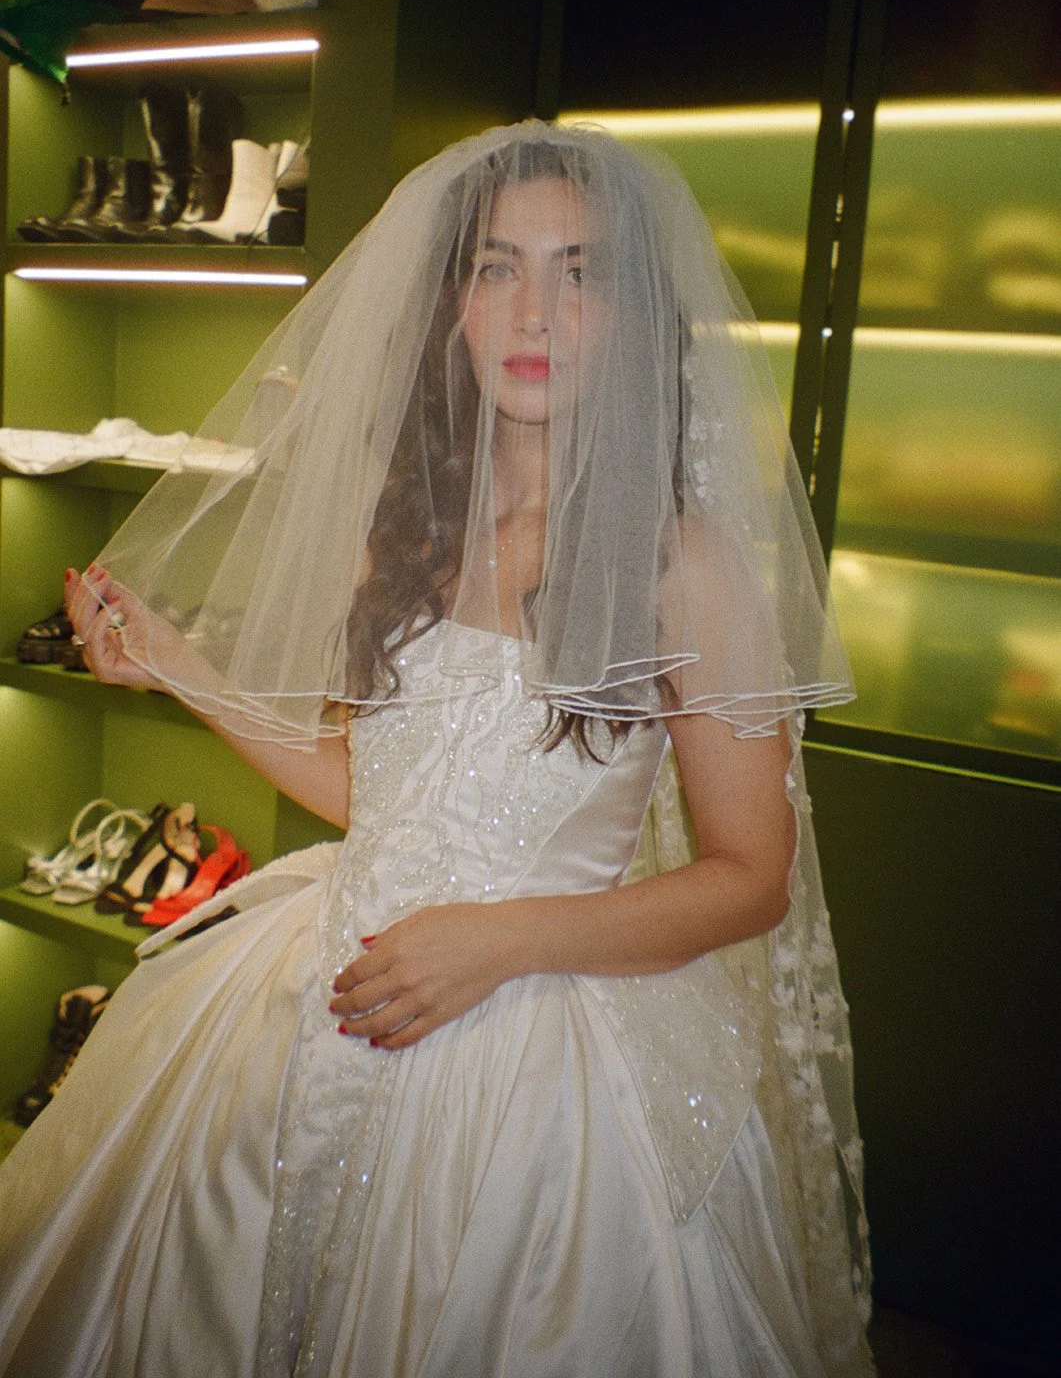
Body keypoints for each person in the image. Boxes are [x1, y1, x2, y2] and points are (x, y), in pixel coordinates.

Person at [0, 123, 873, 1377]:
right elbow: (382, 794)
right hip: (324, 996)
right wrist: (178, 670)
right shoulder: (403, 525)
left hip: (541, 1061)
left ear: (631, 313)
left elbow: (750, 875)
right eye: (495, 266)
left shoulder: (682, 566)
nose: (534, 309)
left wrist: (498, 939)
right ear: (451, 304)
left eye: (579, 271)